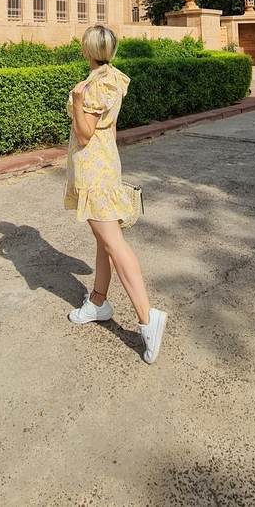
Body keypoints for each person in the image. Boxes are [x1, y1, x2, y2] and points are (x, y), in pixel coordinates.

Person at [65, 24, 167, 365]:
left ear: (87, 50)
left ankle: (146, 316)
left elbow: (83, 135)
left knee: (114, 243)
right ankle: (97, 302)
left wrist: (78, 103)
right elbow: (111, 126)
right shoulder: (114, 78)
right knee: (104, 241)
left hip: (93, 168)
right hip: (107, 161)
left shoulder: (92, 86)